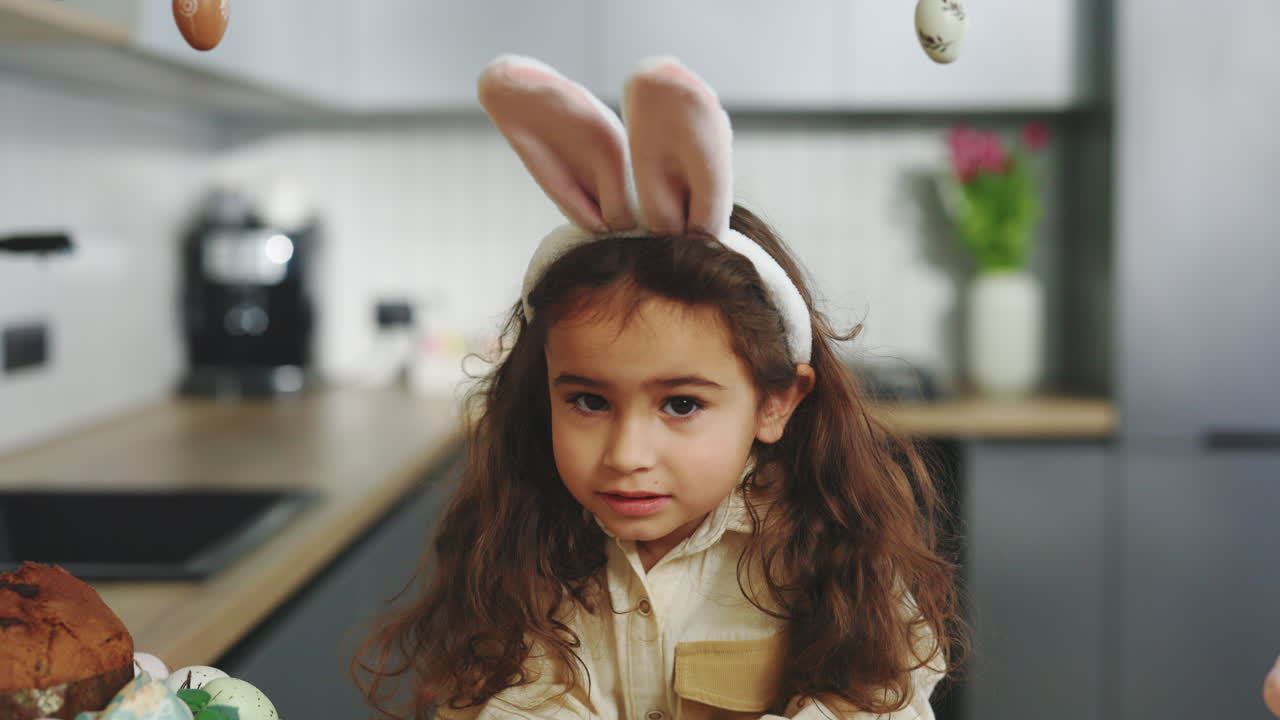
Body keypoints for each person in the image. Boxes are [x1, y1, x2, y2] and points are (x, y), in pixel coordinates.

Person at [355, 55, 965, 720]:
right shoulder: (520, 549)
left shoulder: (830, 549)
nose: (625, 454)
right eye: (589, 401)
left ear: (775, 402)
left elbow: (880, 702)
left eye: (681, 405)